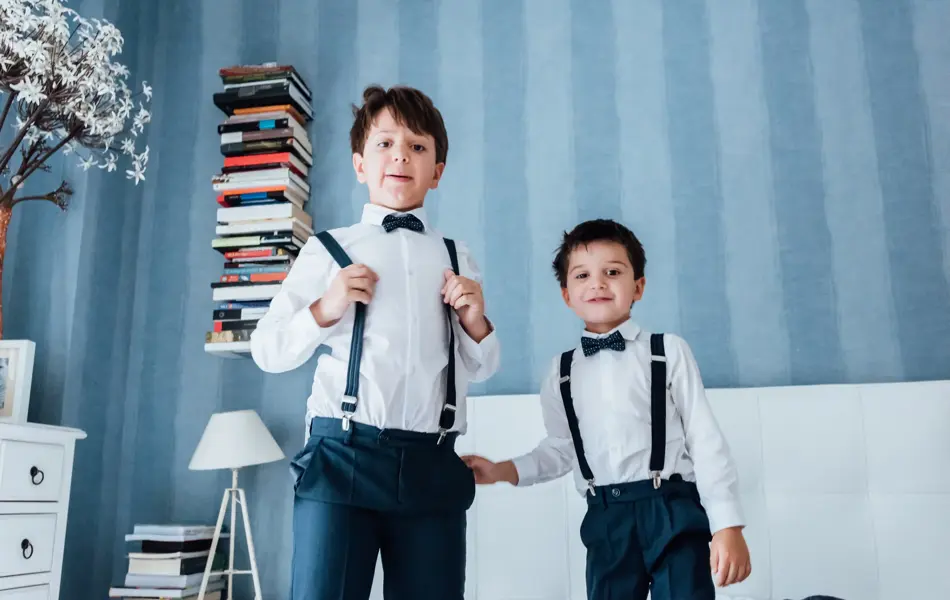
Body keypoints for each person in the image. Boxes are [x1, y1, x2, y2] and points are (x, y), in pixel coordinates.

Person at [250, 84, 500, 600]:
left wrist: (476, 321)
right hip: (343, 454)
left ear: (438, 169)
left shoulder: (458, 254)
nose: (400, 156)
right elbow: (268, 351)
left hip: (433, 460)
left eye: (417, 146)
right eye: (385, 144)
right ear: (360, 163)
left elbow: (482, 367)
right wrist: (327, 307)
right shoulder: (327, 250)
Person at [462, 218, 750, 599]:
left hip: (672, 509)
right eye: (582, 275)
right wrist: (502, 470)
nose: (597, 283)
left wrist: (727, 525)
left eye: (612, 272)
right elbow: (562, 448)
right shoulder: (561, 372)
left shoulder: (668, 351)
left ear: (639, 286)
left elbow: (704, 439)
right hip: (606, 519)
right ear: (567, 294)